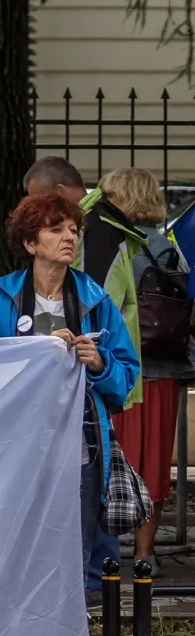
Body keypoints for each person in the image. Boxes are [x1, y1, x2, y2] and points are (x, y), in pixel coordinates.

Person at [0, 191, 140, 595]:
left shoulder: (96, 302)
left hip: (81, 447)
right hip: (17, 448)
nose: (70, 237)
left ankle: (77, 629)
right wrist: (38, 353)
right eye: (55, 230)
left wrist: (99, 364)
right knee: (18, 542)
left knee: (79, 545)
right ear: (30, 244)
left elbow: (127, 374)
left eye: (73, 230)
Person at [82, 168, 186, 561]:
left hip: (123, 368)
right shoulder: (171, 248)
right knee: (154, 462)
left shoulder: (116, 242)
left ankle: (104, 551)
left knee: (112, 456)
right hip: (165, 368)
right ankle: (146, 552)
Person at [24, 156, 89, 207]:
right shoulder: (93, 215)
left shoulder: (91, 220)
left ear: (61, 191)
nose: (40, 210)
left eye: (43, 202)